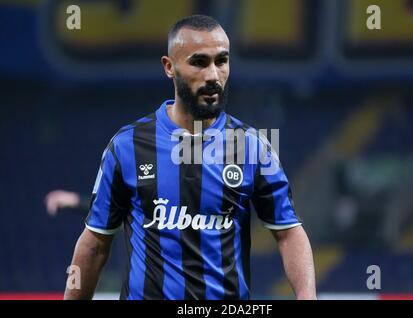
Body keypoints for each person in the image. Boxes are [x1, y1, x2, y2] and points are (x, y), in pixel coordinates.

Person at [64, 15, 316, 300]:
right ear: (169, 67)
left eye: (222, 61)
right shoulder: (127, 146)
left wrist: (308, 297)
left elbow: (288, 233)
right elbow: (95, 244)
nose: (213, 75)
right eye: (199, 62)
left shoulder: (252, 146)